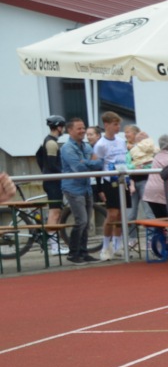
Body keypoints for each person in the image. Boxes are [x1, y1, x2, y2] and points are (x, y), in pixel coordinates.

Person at [59, 117, 103, 265]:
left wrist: (87, 162)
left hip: (86, 187)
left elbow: (99, 163)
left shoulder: (86, 146)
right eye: (79, 128)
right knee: (82, 221)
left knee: (86, 222)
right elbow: (78, 168)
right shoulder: (67, 148)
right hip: (73, 188)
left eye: (83, 128)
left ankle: (83, 253)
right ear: (70, 130)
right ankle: (73, 254)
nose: (83, 131)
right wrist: (90, 162)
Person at [91, 111, 128, 261]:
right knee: (112, 214)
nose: (118, 127)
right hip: (109, 181)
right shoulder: (100, 145)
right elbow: (97, 167)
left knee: (121, 214)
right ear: (106, 125)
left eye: (119, 124)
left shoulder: (121, 141)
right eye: (115, 124)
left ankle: (118, 245)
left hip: (123, 180)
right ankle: (105, 247)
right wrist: (99, 188)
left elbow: (125, 160)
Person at [143, 135, 168, 258]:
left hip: (150, 192)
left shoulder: (156, 157)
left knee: (160, 220)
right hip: (163, 192)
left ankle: (159, 246)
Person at [38, 115, 69, 255]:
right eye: (63, 127)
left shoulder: (48, 141)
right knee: (54, 213)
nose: (63, 129)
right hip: (53, 182)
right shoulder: (51, 143)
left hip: (51, 181)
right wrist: (64, 173)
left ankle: (54, 245)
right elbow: (52, 165)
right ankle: (54, 247)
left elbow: (39, 158)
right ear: (59, 127)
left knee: (56, 212)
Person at [124, 125, 156, 250]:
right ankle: (132, 239)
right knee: (130, 215)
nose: (126, 135)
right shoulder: (129, 150)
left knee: (149, 212)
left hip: (145, 181)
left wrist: (141, 166)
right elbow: (127, 165)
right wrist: (135, 167)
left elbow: (152, 163)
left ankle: (151, 240)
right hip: (132, 182)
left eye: (128, 132)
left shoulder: (149, 149)